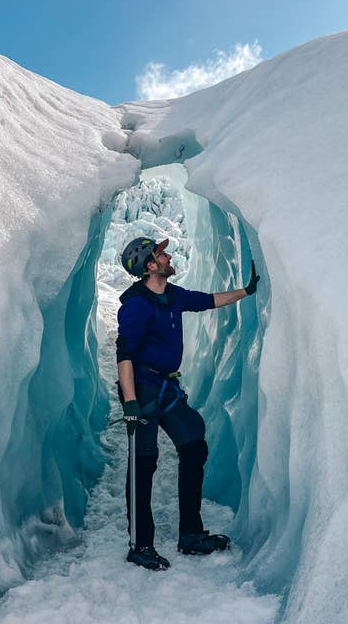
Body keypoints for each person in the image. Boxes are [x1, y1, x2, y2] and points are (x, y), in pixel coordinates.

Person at [116, 236, 260, 571]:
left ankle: (191, 535)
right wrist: (131, 402)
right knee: (143, 463)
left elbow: (207, 300)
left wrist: (246, 291)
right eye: (160, 254)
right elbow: (124, 353)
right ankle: (140, 545)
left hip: (166, 387)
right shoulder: (136, 304)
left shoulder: (172, 295)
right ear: (149, 265)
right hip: (143, 390)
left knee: (193, 444)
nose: (167, 256)